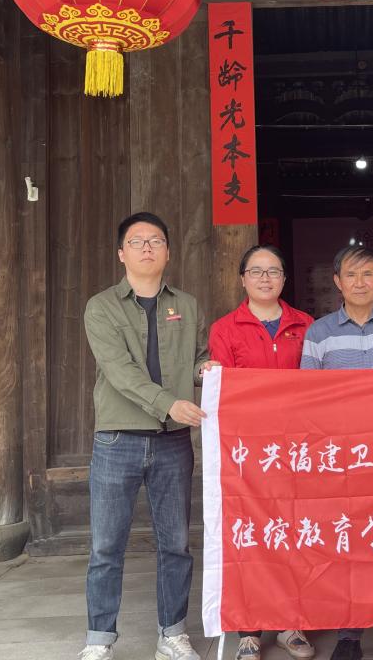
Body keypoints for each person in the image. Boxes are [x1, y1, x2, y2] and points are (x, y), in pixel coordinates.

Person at [81, 212, 214, 660]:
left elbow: (196, 358)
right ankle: (99, 639)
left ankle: (172, 634)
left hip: (173, 440)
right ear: (121, 253)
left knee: (175, 544)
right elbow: (119, 372)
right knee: (106, 546)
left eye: (155, 240)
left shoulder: (187, 305)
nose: (146, 248)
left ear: (168, 252)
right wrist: (168, 403)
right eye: (136, 241)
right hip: (117, 439)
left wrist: (206, 370)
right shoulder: (101, 307)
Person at [300, 244, 373, 660]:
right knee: (345, 542)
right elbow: (308, 398)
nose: (360, 282)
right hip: (342, 458)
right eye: (351, 275)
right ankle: (348, 633)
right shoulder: (319, 333)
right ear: (338, 282)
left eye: (368, 274)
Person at [208, 244, 316, 660]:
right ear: (243, 279)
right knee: (248, 536)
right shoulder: (225, 328)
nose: (265, 278)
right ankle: (249, 630)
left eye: (273, 271)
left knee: (294, 533)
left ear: (285, 279)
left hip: (297, 447)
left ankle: (291, 625)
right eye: (256, 271)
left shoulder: (306, 325)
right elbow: (223, 387)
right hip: (246, 451)